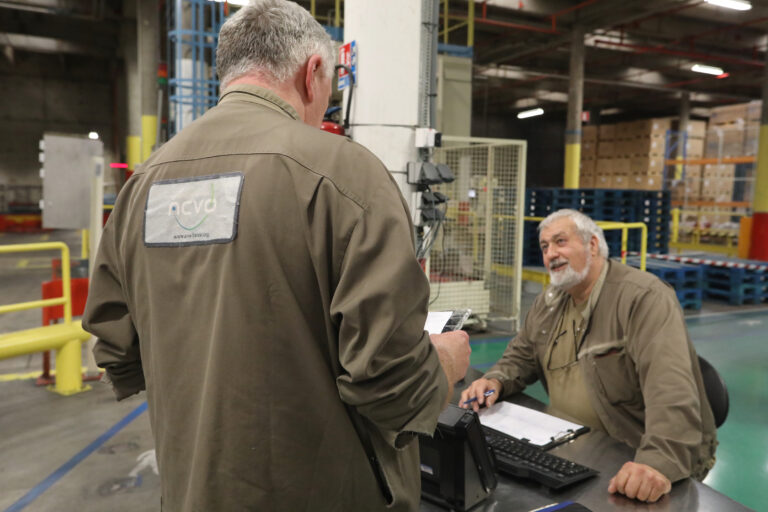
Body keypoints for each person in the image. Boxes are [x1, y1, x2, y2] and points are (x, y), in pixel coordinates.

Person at [82, 1, 470, 511]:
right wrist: (445, 363)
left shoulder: (143, 186)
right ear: (312, 74)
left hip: (189, 492)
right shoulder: (347, 177)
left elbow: (117, 353)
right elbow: (389, 381)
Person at [460, 208, 717, 504]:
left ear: (592, 245)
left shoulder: (643, 298)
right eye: (545, 247)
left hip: (630, 449)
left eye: (560, 242)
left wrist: (657, 462)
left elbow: (671, 391)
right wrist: (495, 380)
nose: (551, 254)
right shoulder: (551, 300)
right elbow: (521, 355)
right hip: (572, 444)